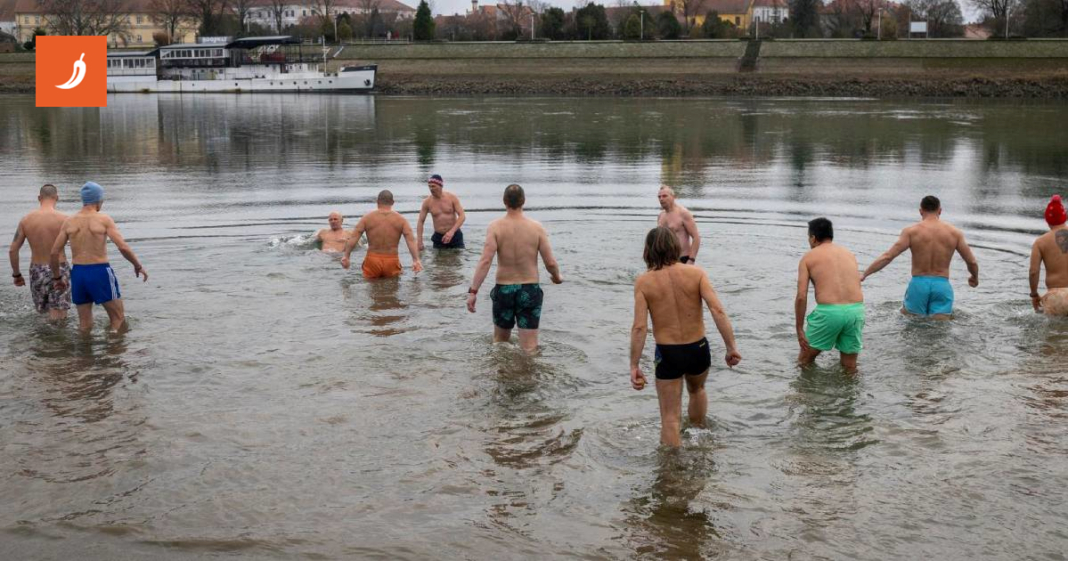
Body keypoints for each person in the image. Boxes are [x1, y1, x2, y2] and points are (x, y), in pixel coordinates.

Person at [629, 227, 742, 448]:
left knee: (670, 418)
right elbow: (717, 310)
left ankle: (672, 473)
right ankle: (699, 438)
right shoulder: (696, 273)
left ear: (648, 250)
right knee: (697, 390)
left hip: (668, 352)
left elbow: (639, 327)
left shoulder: (643, 282)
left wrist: (634, 364)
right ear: (675, 247)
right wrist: (731, 347)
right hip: (698, 348)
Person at [466, 184, 563, 353]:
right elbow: (551, 263)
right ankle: (527, 377)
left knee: (500, 343)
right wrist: (557, 277)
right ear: (523, 201)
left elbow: (485, 261)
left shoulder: (495, 227)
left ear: (504, 201)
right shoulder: (537, 227)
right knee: (530, 347)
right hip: (529, 290)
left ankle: (503, 376)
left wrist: (473, 291)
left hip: (504, 290)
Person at [50, 182, 148, 331]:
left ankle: (84, 352)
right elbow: (122, 246)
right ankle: (114, 352)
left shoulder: (69, 221)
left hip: (78, 274)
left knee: (84, 324)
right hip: (99, 271)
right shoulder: (104, 219)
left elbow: (54, 252)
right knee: (118, 318)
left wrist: (57, 278)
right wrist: (137, 265)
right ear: (99, 200)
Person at [860, 196, 979, 319]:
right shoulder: (955, 233)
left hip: (919, 284)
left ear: (921, 211)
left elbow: (888, 256)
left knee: (911, 323)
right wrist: (974, 277)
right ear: (940, 211)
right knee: (939, 329)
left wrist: (865, 274)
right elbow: (971, 261)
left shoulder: (911, 231)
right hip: (942, 286)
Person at [796, 218, 865, 371]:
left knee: (803, 361)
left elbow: (801, 296)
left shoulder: (808, 257)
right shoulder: (849, 254)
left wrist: (799, 329)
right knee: (850, 367)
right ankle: (850, 394)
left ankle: (803, 393)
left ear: (813, 238)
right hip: (856, 311)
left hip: (830, 312)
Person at [9, 184, 71, 320]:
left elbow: (13, 250)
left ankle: (43, 340)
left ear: (39, 198)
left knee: (42, 315)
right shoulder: (65, 220)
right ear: (57, 198)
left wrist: (17, 274)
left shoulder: (26, 220)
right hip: (59, 269)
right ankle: (59, 340)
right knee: (59, 315)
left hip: (36, 270)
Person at [340, 190, 423, 279]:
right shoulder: (401, 220)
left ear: (377, 201)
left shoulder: (367, 218)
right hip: (391, 260)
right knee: (392, 289)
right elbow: (411, 241)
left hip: (372, 260)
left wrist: (346, 256)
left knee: (372, 289)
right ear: (393, 202)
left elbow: (353, 238)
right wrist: (416, 260)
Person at [1029, 195, 1068, 316]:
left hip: (1056, 298)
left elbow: (1033, 271)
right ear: (1065, 217)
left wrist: (1034, 294)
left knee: (1054, 333)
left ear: (1047, 220)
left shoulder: (1040, 242)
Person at [417, 174, 466, 250]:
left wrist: (451, 232)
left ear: (440, 186)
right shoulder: (427, 202)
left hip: (455, 235)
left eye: (433, 186)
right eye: (429, 186)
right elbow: (420, 221)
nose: (431, 189)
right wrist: (419, 241)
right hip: (438, 237)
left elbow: (462, 216)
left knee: (457, 261)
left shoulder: (451, 198)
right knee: (439, 261)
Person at [656, 185, 700, 264]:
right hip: (665, 260)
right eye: (659, 197)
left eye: (664, 196)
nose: (661, 199)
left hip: (682, 259)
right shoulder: (660, 216)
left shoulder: (683, 213)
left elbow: (696, 237)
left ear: (674, 197)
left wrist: (691, 260)